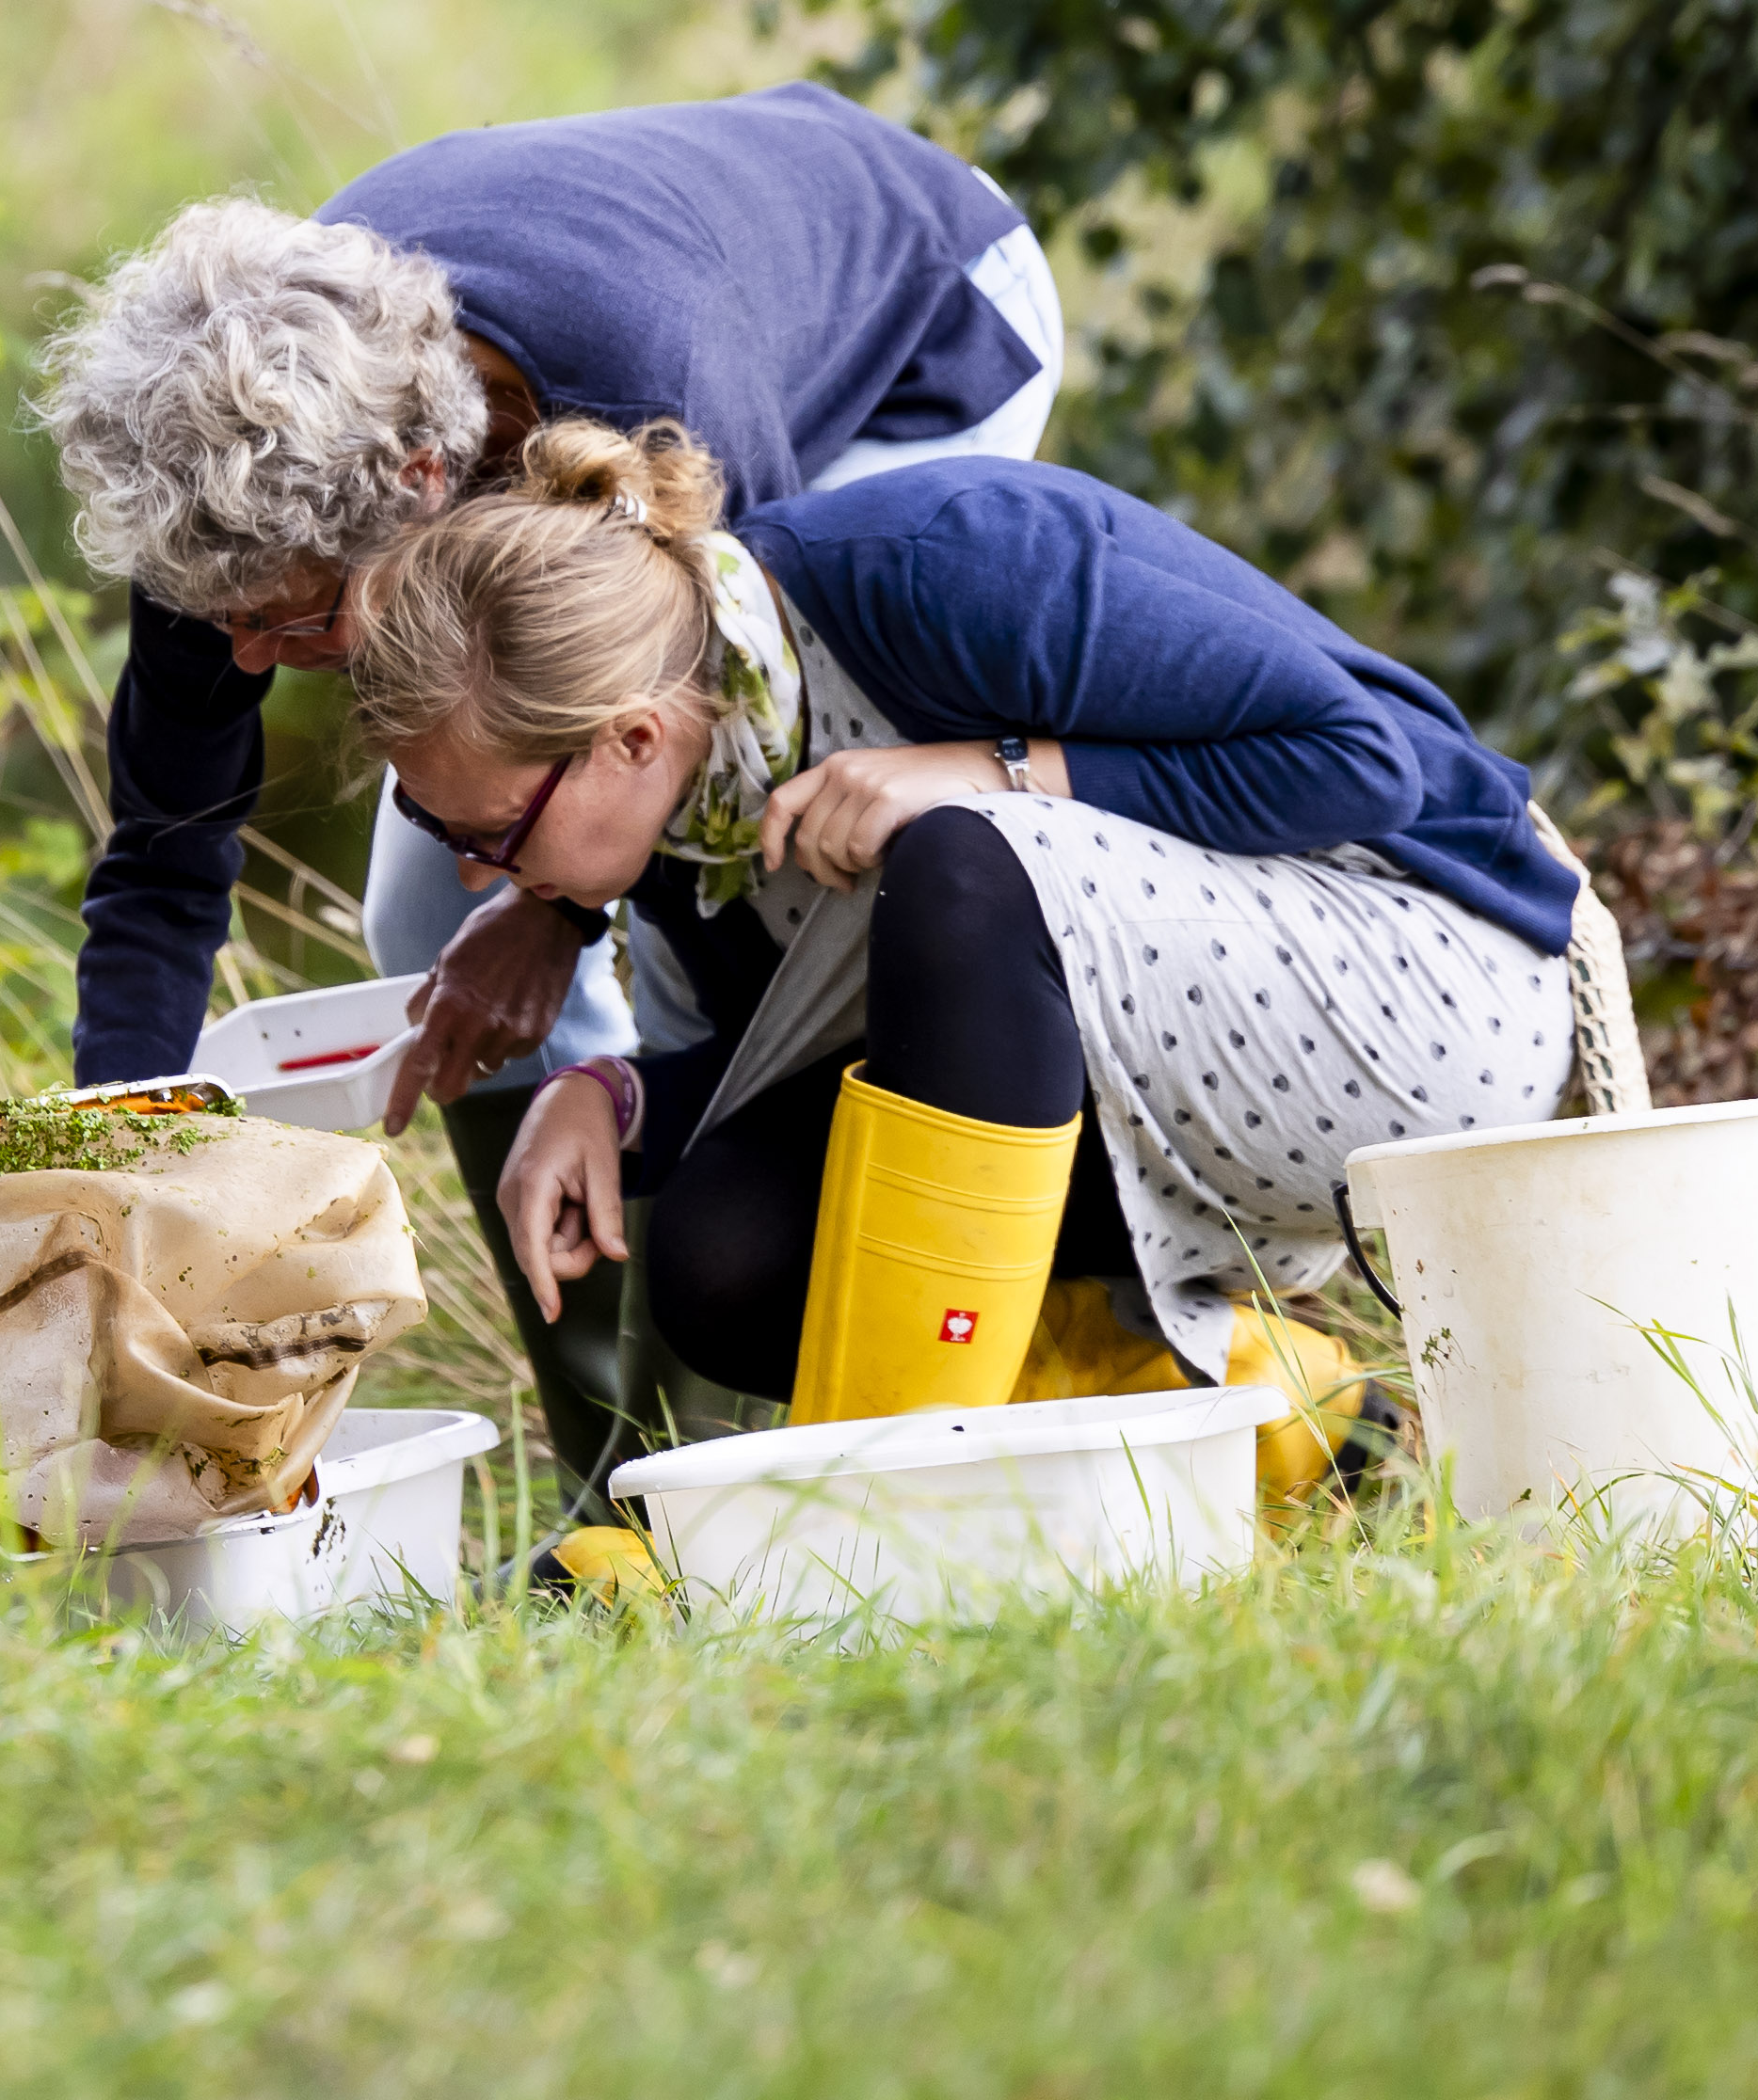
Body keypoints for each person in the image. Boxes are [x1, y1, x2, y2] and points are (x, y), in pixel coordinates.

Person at [29, 84, 1067, 1488]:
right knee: (419, 917)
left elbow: (707, 750)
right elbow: (165, 855)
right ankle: (608, 1455)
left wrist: (555, 910)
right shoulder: (221, 509)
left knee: (766, 872)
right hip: (652, 308)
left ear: (420, 493)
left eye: (297, 627)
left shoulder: (644, 389)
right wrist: (122, 1165)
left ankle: (743, 1460)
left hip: (918, 332)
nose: (250, 661)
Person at [341, 417, 1581, 1533]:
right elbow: (927, 1053)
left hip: (1426, 1006)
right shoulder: (684, 830)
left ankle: (861, 1529)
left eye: (487, 834)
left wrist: (997, 772)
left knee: (961, 858)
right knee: (727, 1254)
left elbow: (1364, 760)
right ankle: (1295, 1418)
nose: (472, 878)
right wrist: (617, 1100)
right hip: (1151, 1090)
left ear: (631, 738)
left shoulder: (942, 562)